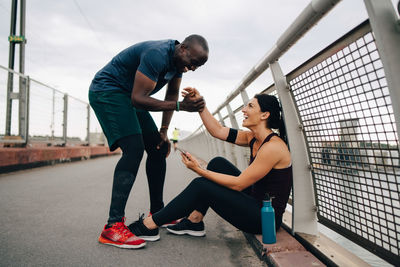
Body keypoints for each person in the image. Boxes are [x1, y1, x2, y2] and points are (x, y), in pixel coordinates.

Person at [128, 88, 293, 243]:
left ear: (265, 115)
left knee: (202, 185)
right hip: (255, 201)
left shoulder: (272, 147)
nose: (243, 110)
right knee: (217, 163)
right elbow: (218, 130)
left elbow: (239, 184)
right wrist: (200, 106)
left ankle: (149, 225)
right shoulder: (252, 138)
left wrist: (198, 169)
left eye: (250, 106)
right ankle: (194, 221)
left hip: (264, 220)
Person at [89, 35, 209, 249]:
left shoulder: (178, 65)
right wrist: (181, 107)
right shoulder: (157, 55)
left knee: (158, 147)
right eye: (192, 63)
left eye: (197, 67)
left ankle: (158, 213)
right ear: (182, 49)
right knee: (134, 150)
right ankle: (112, 227)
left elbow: (172, 94)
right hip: (108, 91)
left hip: (128, 96)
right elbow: (138, 98)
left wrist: (163, 131)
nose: (192, 69)